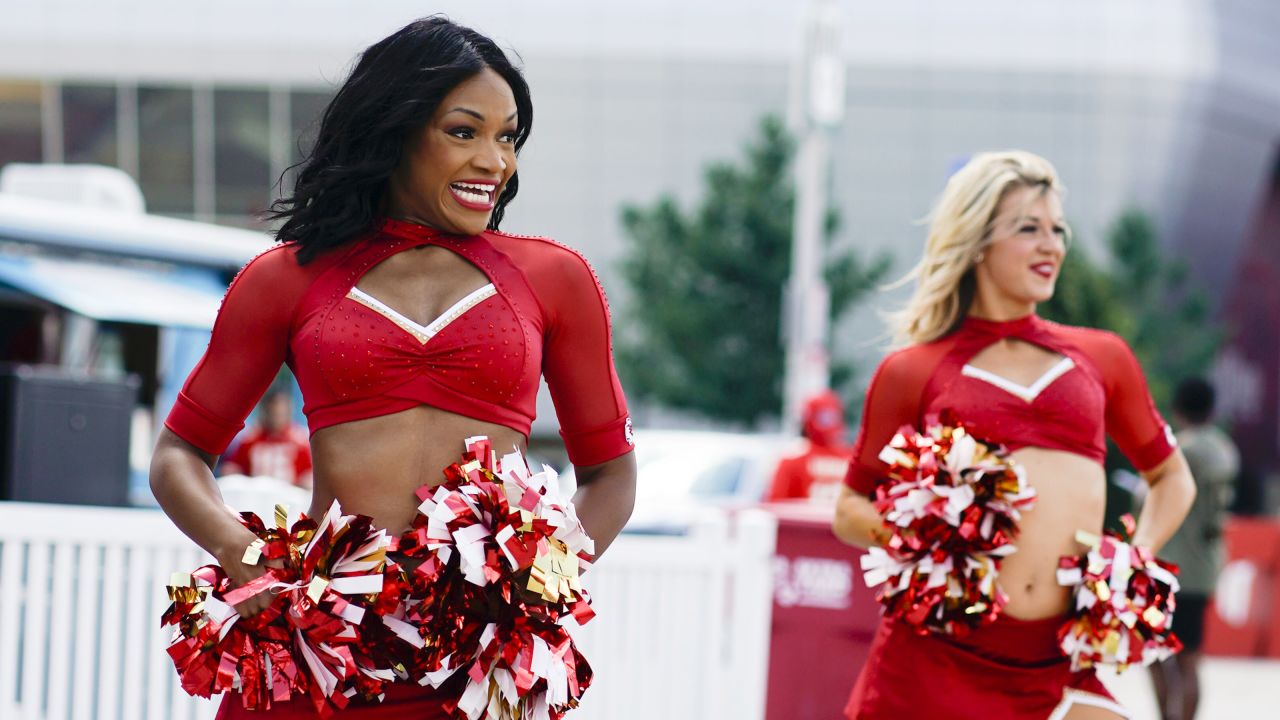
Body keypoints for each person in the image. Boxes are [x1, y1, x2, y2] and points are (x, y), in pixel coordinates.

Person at [149, 16, 637, 718]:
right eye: (464, 132)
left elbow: (612, 473)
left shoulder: (554, 278)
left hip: (471, 674)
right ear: (396, 130)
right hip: (322, 651)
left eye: (508, 138)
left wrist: (545, 582)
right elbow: (179, 453)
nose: (495, 162)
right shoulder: (287, 278)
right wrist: (243, 553)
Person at [831, 151, 1196, 720]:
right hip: (936, 663)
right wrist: (932, 539)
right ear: (977, 240)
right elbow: (849, 509)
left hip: (1055, 666)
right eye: (1029, 228)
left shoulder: (1102, 357)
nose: (1052, 245)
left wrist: (1131, 559)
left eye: (1058, 230)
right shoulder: (913, 371)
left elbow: (1171, 478)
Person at [1149, 378, 1238, 720]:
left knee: (1156, 657)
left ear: (1177, 408)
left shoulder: (1182, 449)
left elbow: (1153, 492)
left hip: (1172, 565)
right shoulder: (1224, 448)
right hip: (1205, 566)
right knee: (1191, 659)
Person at [766, 390, 852, 504]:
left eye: (831, 417)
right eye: (825, 417)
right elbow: (778, 506)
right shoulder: (793, 459)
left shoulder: (851, 459)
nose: (829, 422)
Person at [218, 389, 313, 488]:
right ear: (264, 411)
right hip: (255, 496)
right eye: (272, 413)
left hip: (288, 498)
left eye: (279, 414)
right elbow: (234, 468)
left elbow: (308, 475)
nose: (276, 417)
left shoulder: (300, 442)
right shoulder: (249, 440)